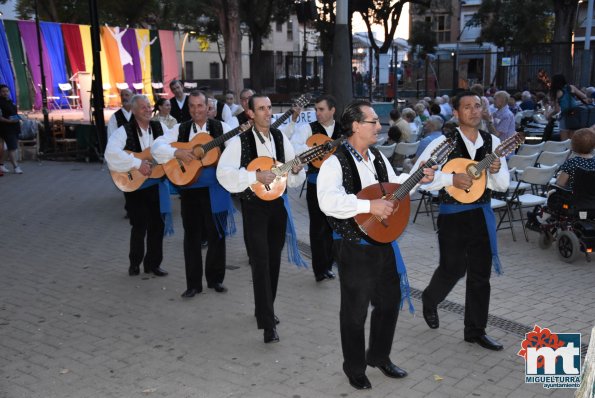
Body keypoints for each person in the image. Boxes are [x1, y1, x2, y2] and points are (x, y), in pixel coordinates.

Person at [317, 99, 435, 390]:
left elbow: (396, 187)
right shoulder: (335, 161)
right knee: (355, 312)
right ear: (356, 126)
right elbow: (327, 201)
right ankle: (355, 367)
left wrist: (420, 177)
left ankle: (379, 356)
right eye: (373, 122)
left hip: (383, 245)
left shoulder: (378, 158)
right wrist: (369, 205)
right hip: (355, 247)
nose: (379, 126)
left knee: (389, 304)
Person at [415, 91, 510, 352]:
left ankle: (475, 331)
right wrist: (450, 179)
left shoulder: (493, 141)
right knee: (453, 268)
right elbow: (419, 177)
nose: (474, 110)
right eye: (467, 107)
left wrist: (496, 169)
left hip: (481, 214)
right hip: (453, 215)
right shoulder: (443, 143)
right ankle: (430, 298)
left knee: (481, 275)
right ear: (456, 113)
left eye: (478, 105)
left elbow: (503, 185)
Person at [216, 94, 306, 344]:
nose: (268, 113)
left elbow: (291, 172)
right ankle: (267, 324)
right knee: (260, 262)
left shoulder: (280, 138)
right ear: (251, 114)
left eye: (269, 108)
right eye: (262, 109)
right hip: (254, 208)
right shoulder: (240, 142)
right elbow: (223, 174)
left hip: (278, 207)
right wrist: (254, 176)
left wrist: (296, 169)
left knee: (274, 262)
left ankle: (265, 309)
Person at [152, 90, 234, 298]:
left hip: (216, 190)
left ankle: (215, 279)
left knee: (217, 234)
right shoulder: (180, 129)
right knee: (192, 237)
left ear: (208, 107)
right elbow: (156, 146)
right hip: (189, 191)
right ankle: (193, 284)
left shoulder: (221, 128)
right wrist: (176, 152)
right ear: (188, 108)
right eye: (192, 106)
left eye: (200, 106)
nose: (197, 110)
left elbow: (237, 151)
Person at [104, 95, 171, 277]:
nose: (148, 109)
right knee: (139, 224)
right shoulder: (123, 131)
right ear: (133, 110)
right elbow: (110, 154)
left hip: (156, 184)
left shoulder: (160, 127)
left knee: (157, 225)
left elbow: (171, 148)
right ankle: (135, 263)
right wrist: (136, 163)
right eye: (143, 107)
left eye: (149, 106)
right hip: (135, 185)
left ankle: (153, 264)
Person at [290, 94, 342, 282]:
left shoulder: (343, 130)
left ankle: (330, 264)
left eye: (321, 109)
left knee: (334, 226)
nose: (317, 113)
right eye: (316, 110)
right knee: (318, 227)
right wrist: (316, 151)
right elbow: (294, 147)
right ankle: (319, 269)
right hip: (316, 183)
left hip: (338, 185)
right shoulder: (307, 129)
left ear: (332, 110)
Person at [550, 74, 593, 140]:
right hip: (576, 115)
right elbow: (584, 96)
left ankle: (566, 150)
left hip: (565, 116)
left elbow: (557, 110)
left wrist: (549, 115)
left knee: (564, 141)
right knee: (573, 140)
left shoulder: (557, 92)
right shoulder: (571, 87)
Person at [0, 84, 23, 174]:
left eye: (7, 91)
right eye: (3, 91)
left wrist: (18, 118)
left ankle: (1, 165)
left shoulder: (9, 101)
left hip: (14, 127)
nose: (5, 93)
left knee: (8, 148)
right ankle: (16, 166)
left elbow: (13, 113)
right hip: (6, 128)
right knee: (12, 147)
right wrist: (10, 122)